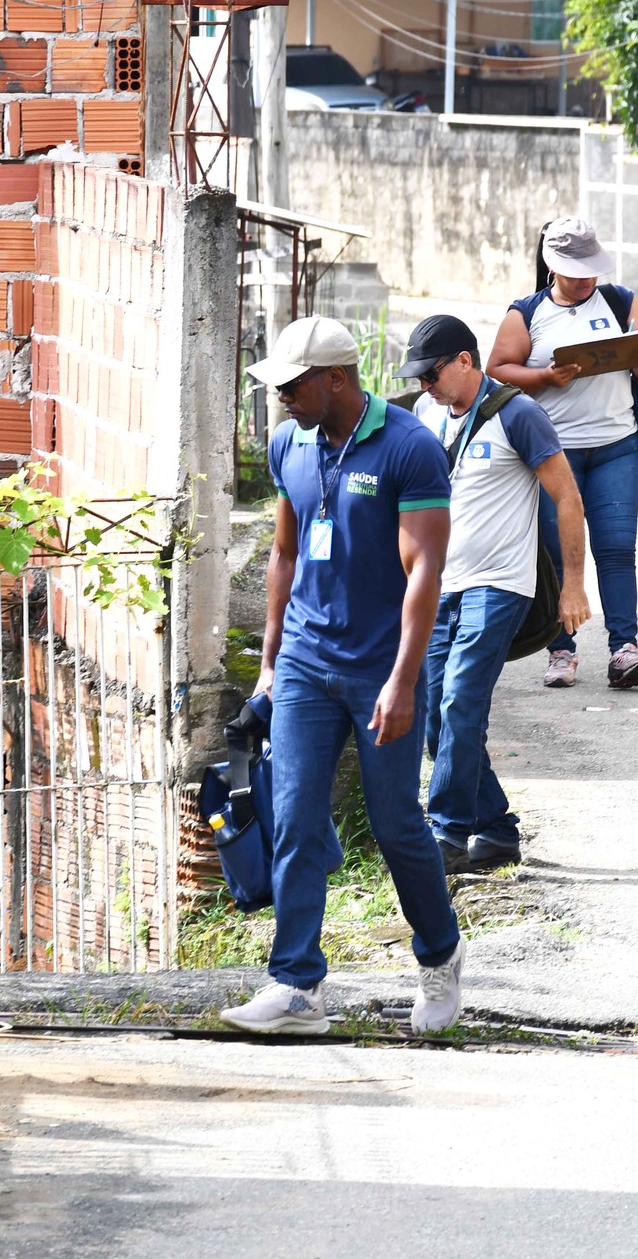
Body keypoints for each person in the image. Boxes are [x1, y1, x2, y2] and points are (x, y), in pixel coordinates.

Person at [221, 315, 468, 1036]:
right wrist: (269, 662)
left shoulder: (408, 449)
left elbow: (425, 568)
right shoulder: (288, 443)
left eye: (293, 386)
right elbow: (284, 554)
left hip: (379, 667)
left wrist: (402, 678)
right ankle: (296, 984)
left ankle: (441, 955)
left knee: (397, 825)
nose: (281, 400)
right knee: (294, 817)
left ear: (336, 379)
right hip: (303, 662)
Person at [402, 315, 593, 872]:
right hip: (439, 586)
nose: (424, 386)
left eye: (431, 374)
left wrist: (575, 585)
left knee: (462, 701)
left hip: (500, 584)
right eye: (417, 378)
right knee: (436, 718)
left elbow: (568, 499)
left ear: (466, 361)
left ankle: (447, 833)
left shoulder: (519, 414)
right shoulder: (425, 414)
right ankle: (499, 830)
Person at [486, 216, 638, 692]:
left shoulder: (620, 301)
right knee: (555, 554)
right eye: (575, 270)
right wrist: (545, 377)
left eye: (592, 269)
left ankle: (624, 649)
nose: (587, 279)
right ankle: (561, 651)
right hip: (553, 454)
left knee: (615, 549)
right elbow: (498, 368)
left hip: (615, 445)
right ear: (551, 265)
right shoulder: (526, 313)